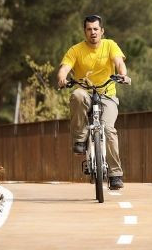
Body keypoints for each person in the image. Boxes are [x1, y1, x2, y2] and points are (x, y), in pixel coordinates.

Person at [57, 15, 131, 190]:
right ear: (84, 32)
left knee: (108, 129)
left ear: (102, 31)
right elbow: (64, 68)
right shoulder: (76, 50)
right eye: (89, 29)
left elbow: (119, 62)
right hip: (86, 92)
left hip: (107, 94)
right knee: (77, 95)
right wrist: (62, 79)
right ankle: (80, 139)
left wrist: (122, 75)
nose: (93, 32)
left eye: (96, 29)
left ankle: (115, 175)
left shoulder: (110, 45)